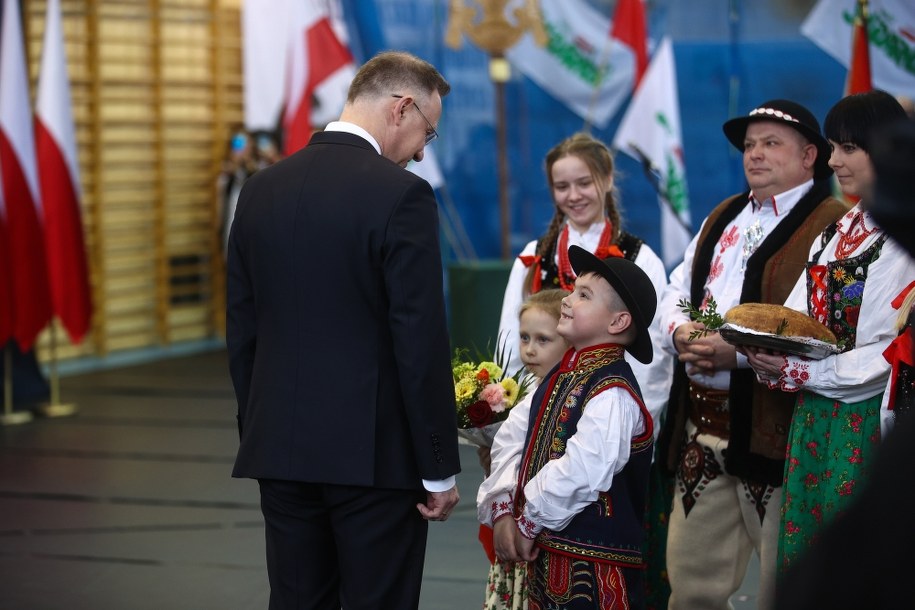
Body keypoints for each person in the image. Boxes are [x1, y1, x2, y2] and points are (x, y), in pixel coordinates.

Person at [226, 51, 461, 610]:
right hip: (374, 463)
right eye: (428, 131)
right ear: (401, 108)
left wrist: (260, 430)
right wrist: (437, 467)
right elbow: (418, 339)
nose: (423, 150)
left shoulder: (259, 191)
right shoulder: (402, 195)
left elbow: (243, 333)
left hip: (278, 451)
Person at [655, 99, 849, 610]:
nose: (754, 155)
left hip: (777, 436)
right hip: (703, 429)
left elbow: (826, 328)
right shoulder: (724, 214)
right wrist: (681, 333)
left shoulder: (834, 225)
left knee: (782, 589)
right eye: (748, 146)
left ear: (811, 155)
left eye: (770, 144)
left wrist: (733, 355)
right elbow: (677, 286)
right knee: (691, 586)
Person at [743, 90, 915, 574]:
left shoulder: (902, 240)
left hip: (869, 417)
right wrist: (765, 349)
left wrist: (800, 371)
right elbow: (796, 315)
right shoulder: (840, 230)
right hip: (814, 413)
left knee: (861, 563)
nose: (834, 160)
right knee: (810, 555)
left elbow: (888, 354)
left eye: (848, 148)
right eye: (833, 147)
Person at [481, 245, 658, 610]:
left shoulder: (613, 393)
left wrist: (528, 521)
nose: (567, 299)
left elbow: (583, 469)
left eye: (583, 295)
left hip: (594, 572)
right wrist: (502, 509)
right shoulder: (559, 377)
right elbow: (513, 438)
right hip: (544, 559)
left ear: (618, 322)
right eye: (574, 289)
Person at [497, 132, 671, 436]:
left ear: (607, 179)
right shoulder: (533, 257)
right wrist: (517, 422)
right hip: (539, 419)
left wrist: (627, 431)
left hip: (608, 422)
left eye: (584, 183)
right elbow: (512, 344)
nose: (574, 195)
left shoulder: (640, 260)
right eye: (562, 187)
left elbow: (652, 360)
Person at [477, 288, 570, 610]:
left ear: (569, 341)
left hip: (548, 533)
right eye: (525, 338)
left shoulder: (574, 399)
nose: (530, 350)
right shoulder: (525, 398)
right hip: (515, 533)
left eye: (543, 340)